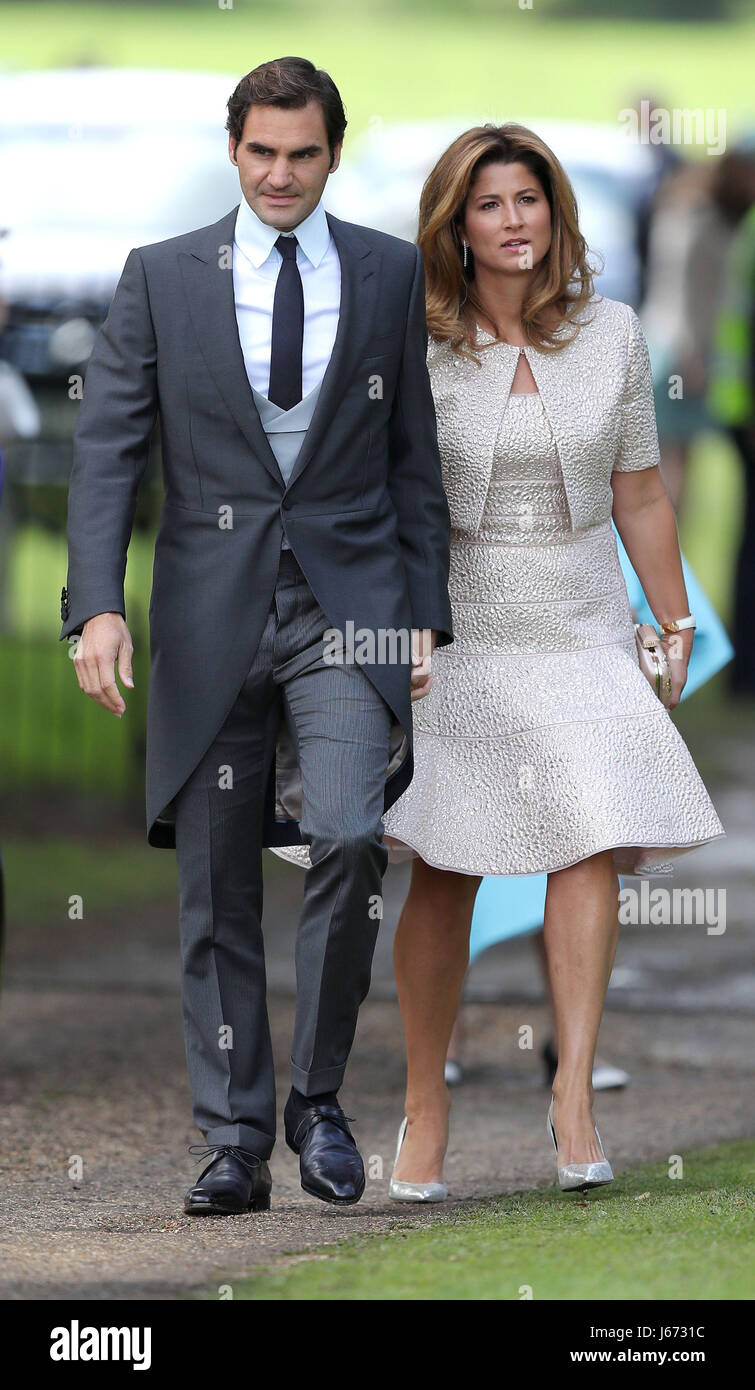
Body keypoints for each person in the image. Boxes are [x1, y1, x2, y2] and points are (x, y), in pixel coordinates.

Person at [59, 56, 453, 1215]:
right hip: (206, 609)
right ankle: (232, 1138)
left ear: (335, 152)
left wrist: (423, 610)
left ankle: (317, 1103)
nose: (281, 175)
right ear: (231, 147)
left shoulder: (385, 274)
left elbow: (411, 462)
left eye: (304, 153)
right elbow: (106, 454)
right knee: (215, 881)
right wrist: (96, 603)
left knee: (345, 837)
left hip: (351, 612)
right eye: (261, 151)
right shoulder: (161, 277)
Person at [380, 122, 725, 1201]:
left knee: (587, 837)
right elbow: (375, 500)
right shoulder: (412, 340)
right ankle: (423, 1109)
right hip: (460, 630)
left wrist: (667, 622)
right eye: (489, 204)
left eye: (528, 199)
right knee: (446, 860)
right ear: (457, 225)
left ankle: (571, 1091)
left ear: (554, 212)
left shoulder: (611, 333)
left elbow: (639, 490)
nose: (513, 220)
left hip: (578, 622)